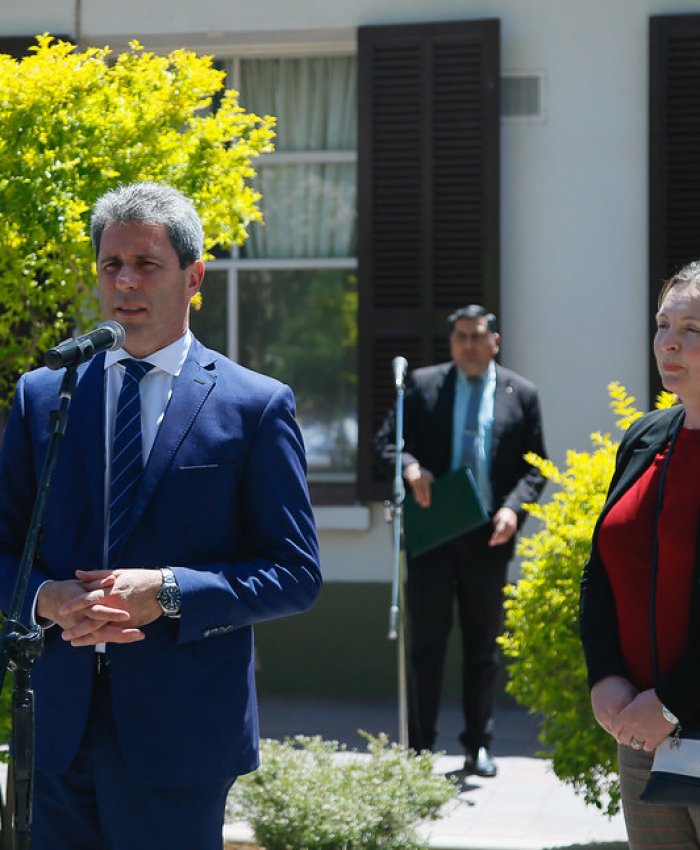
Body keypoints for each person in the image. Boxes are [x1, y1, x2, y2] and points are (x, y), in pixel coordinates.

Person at [0, 181, 322, 850]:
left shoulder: (254, 406)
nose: (125, 281)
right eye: (111, 264)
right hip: (56, 732)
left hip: (181, 741)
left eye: (146, 264)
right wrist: (44, 599)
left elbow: (295, 572)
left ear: (193, 276)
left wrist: (169, 592)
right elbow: (6, 548)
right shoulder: (43, 396)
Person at [374, 304, 546, 776]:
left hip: (488, 535)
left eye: (477, 337)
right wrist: (409, 466)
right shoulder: (424, 385)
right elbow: (387, 442)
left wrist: (513, 507)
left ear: (495, 341)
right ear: (451, 344)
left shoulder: (521, 394)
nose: (469, 345)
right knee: (425, 644)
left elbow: (536, 466)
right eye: (461, 338)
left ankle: (478, 745)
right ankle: (420, 747)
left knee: (481, 647)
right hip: (433, 531)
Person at [580, 260, 700, 849]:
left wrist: (674, 701)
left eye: (693, 329)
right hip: (643, 735)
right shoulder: (645, 436)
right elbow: (600, 571)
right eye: (662, 324)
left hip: (676, 716)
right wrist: (604, 676)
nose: (670, 342)